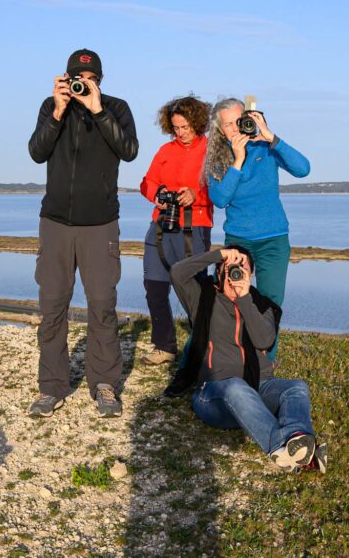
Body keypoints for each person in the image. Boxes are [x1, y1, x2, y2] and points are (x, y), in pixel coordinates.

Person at [27, 48, 138, 418]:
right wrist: (58, 112)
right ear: (66, 77)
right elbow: (37, 152)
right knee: (52, 306)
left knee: (102, 306)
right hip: (55, 223)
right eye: (78, 78)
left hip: (100, 223)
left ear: (100, 81)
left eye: (90, 79)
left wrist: (98, 110)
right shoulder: (51, 107)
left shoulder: (116, 108)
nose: (83, 84)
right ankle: (51, 387)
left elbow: (129, 150)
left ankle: (104, 384)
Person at [165, 246, 327, 472]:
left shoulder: (263, 306)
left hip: (258, 388)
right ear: (219, 273)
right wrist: (220, 255)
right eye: (231, 268)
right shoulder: (202, 298)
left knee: (296, 387)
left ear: (250, 276)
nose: (236, 275)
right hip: (213, 394)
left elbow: (264, 341)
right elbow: (177, 272)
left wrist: (244, 300)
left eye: (243, 270)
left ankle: (296, 441)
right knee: (236, 387)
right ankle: (282, 446)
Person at [203, 98, 310, 362]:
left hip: (273, 239)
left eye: (238, 121)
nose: (234, 128)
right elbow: (220, 199)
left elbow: (303, 169)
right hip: (238, 241)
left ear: (248, 119)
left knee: (270, 304)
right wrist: (238, 161)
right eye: (227, 125)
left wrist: (272, 137)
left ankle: (265, 366)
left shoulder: (266, 146)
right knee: (230, 299)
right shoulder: (217, 159)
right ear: (220, 131)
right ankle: (231, 358)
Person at [138, 96, 213, 366]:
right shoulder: (165, 150)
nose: (180, 133)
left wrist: (196, 195)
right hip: (160, 225)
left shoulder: (211, 150)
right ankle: (164, 347)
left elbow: (220, 190)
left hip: (195, 227)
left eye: (185, 127)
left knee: (195, 291)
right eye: (176, 127)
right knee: (154, 287)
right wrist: (156, 194)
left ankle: (203, 349)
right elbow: (146, 183)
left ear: (198, 123)